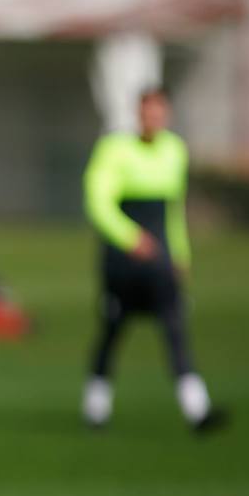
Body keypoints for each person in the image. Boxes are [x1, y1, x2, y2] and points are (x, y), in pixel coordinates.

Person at [82, 86, 224, 431]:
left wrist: (180, 253)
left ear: (167, 115)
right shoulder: (114, 149)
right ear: (138, 114)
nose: (153, 119)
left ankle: (197, 410)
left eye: (159, 112)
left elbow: (172, 212)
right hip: (123, 259)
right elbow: (98, 202)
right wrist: (131, 238)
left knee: (174, 327)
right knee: (113, 329)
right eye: (147, 112)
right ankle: (95, 409)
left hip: (159, 259)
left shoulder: (175, 151)